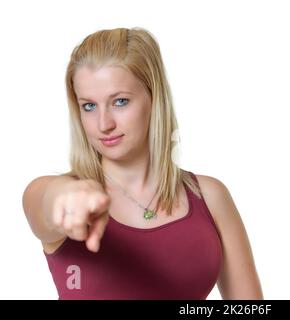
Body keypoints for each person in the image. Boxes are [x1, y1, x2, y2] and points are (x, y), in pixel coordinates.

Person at [21, 27, 263, 300]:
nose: (104, 124)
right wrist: (66, 196)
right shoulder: (53, 192)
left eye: (120, 102)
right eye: (89, 106)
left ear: (154, 97)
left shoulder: (209, 196)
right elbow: (47, 201)